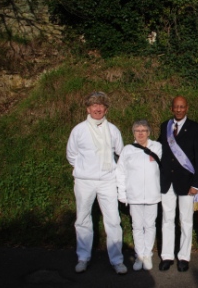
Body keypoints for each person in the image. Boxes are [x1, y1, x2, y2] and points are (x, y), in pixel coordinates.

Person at [66, 91, 127, 274]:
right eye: (94, 105)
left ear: (106, 109)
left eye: (101, 105)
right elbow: (71, 155)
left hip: (107, 181)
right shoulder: (79, 130)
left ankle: (117, 260)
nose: (97, 109)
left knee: (113, 220)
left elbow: (120, 153)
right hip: (84, 181)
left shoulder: (113, 130)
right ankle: (83, 257)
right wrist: (84, 170)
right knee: (83, 219)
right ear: (88, 108)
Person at [157, 96, 198, 272]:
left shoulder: (196, 128)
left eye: (182, 107)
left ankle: (184, 256)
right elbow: (160, 149)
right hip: (167, 182)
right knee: (167, 220)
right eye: (176, 107)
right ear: (172, 108)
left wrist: (197, 183)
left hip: (187, 183)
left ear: (187, 108)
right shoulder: (165, 126)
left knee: (186, 220)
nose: (178, 110)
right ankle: (167, 256)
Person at [116, 120, 162, 271]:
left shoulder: (157, 147)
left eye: (144, 130)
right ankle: (139, 255)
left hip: (152, 194)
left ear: (149, 132)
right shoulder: (128, 150)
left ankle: (147, 254)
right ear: (133, 133)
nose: (141, 133)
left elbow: (164, 171)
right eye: (137, 130)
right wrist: (122, 193)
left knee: (150, 225)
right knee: (136, 226)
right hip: (134, 195)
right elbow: (121, 172)